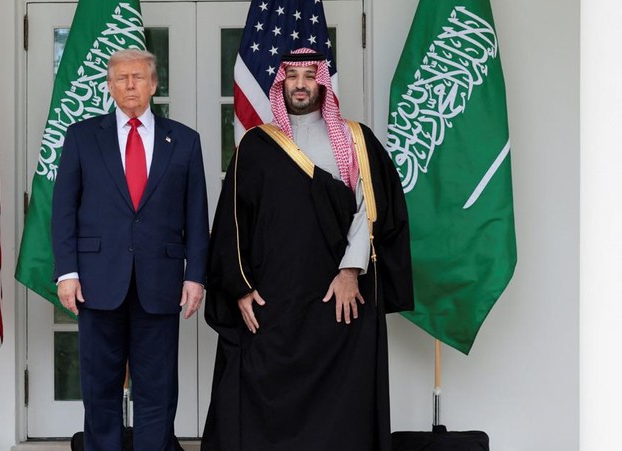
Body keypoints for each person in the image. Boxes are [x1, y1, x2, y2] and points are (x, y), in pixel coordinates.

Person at [201, 48, 414, 450]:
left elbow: (372, 208)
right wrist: (240, 287)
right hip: (275, 300)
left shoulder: (356, 139)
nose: (301, 84)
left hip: (340, 296)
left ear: (324, 83)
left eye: (309, 75)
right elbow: (232, 222)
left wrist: (350, 271)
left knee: (342, 402)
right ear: (282, 82)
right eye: (293, 75)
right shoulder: (256, 145)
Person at [52, 49, 209, 451]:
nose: (131, 85)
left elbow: (196, 215)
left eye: (139, 77)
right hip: (97, 282)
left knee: (157, 390)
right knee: (99, 386)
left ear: (154, 84)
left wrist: (195, 276)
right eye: (121, 78)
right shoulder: (83, 137)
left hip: (161, 283)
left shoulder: (185, 141)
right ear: (109, 85)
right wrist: (67, 273)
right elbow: (63, 209)